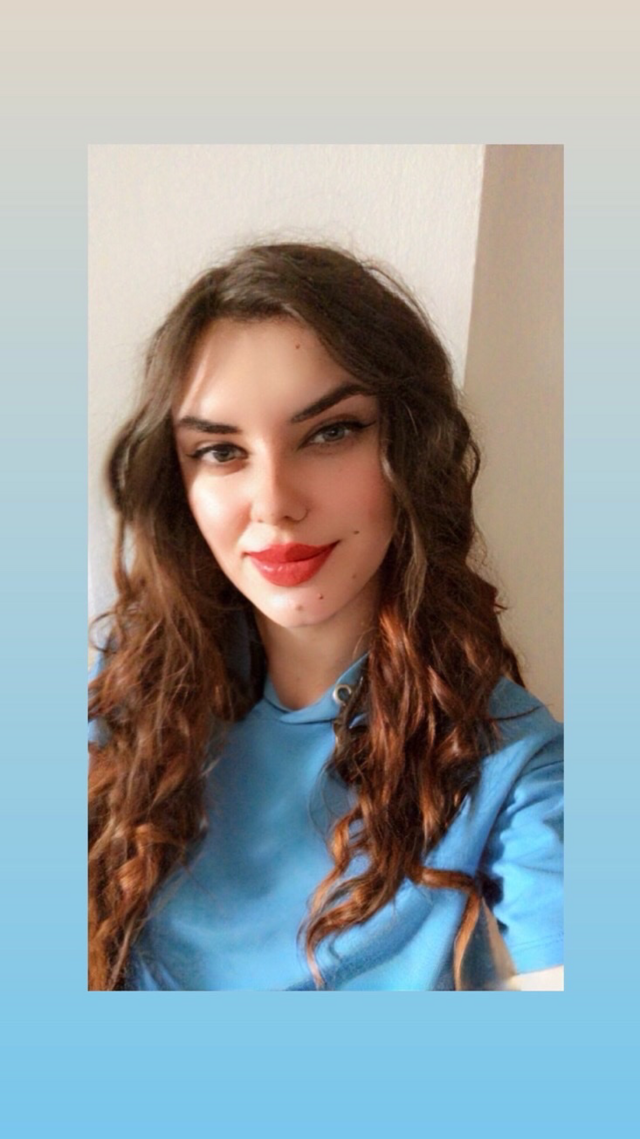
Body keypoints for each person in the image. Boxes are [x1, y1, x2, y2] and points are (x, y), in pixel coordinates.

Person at [88, 242, 563, 992]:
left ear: (410, 446)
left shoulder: (512, 763)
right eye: (220, 450)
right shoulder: (127, 690)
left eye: (330, 432)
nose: (274, 502)